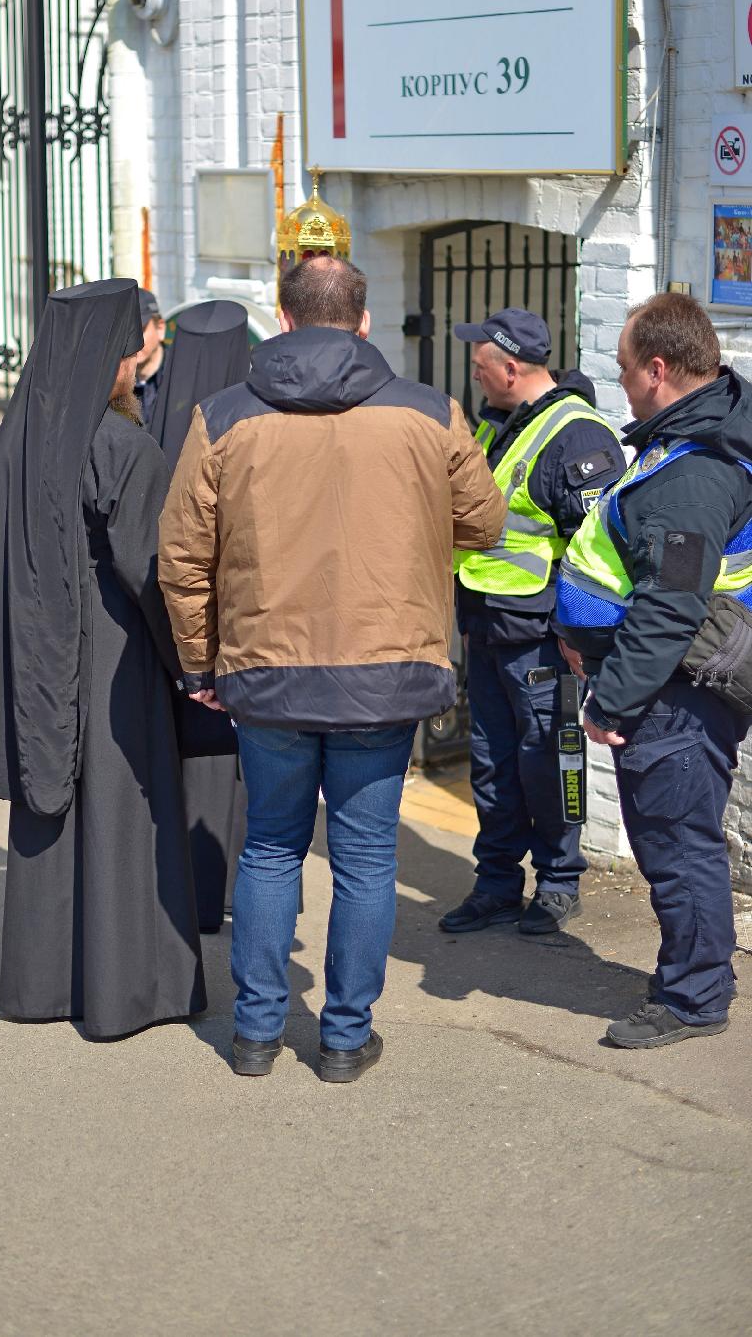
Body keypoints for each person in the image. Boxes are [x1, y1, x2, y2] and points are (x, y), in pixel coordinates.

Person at [159, 255, 505, 1081]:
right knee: (365, 858)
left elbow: (182, 558)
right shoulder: (431, 412)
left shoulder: (223, 416)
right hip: (385, 670)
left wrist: (201, 663)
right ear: (365, 321)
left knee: (272, 849)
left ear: (281, 318)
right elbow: (487, 525)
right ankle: (346, 1038)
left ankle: (255, 1035)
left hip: (267, 673)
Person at [0, 278, 206, 1037]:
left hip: (32, 647)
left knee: (54, 807)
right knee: (121, 808)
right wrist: (193, 664)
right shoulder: (122, 444)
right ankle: (126, 991)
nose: (139, 366)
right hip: (112, 648)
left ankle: (41, 984)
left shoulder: (13, 435)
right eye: (131, 353)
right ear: (110, 356)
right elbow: (155, 569)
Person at [555, 293, 752, 1048]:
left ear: (660, 369)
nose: (623, 383)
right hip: (667, 688)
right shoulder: (692, 437)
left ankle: (695, 997)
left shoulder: (695, 474)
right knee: (675, 841)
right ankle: (692, 975)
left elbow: (671, 603)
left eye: (627, 368)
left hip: (674, 696)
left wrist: (613, 700)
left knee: (677, 845)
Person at [439, 309, 625, 937]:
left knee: (548, 759)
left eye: (481, 365)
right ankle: (495, 883)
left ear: (511, 368)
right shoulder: (501, 424)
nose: (475, 375)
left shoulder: (577, 436)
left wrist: (577, 637)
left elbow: (597, 551)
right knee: (490, 761)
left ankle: (557, 881)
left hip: (543, 639)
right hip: (490, 626)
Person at [146, 298, 252, 932]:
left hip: (181, 618)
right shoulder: (252, 411)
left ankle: (192, 884)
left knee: (189, 756)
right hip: (246, 612)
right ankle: (240, 885)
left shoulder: (160, 416)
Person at [133, 288, 167, 428]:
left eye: (139, 330)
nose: (132, 340)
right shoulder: (112, 383)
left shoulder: (181, 376)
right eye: (124, 332)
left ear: (160, 329)